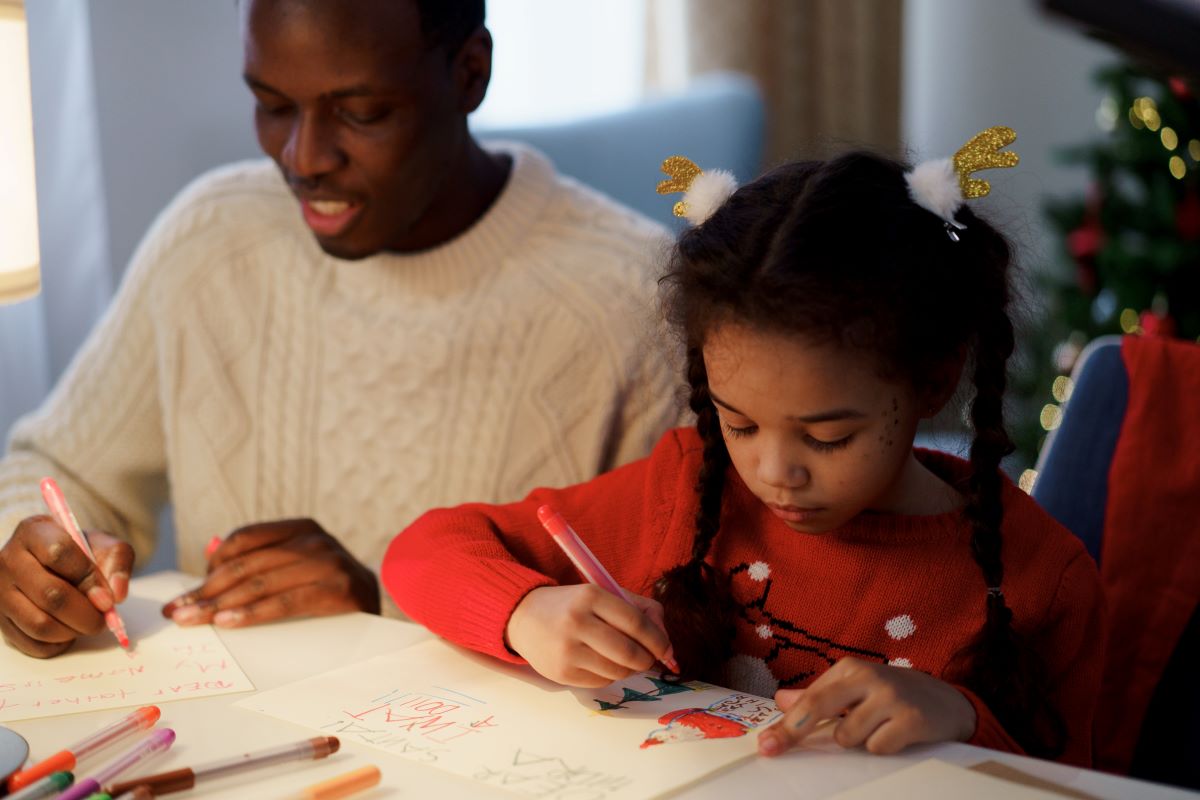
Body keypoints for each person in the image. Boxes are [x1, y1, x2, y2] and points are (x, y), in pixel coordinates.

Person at [382, 137, 1106, 766]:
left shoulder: (1044, 579)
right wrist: (527, 613)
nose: (773, 474)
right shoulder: (692, 484)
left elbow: (1084, 783)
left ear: (934, 379)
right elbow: (421, 553)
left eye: (828, 437)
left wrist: (962, 721)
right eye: (741, 424)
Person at [0, 0, 680, 658]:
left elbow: (683, 623)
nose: (303, 157)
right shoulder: (211, 239)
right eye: (272, 105)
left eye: (361, 113)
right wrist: (41, 557)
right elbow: (58, 468)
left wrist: (379, 611)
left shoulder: (636, 300)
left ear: (469, 74)